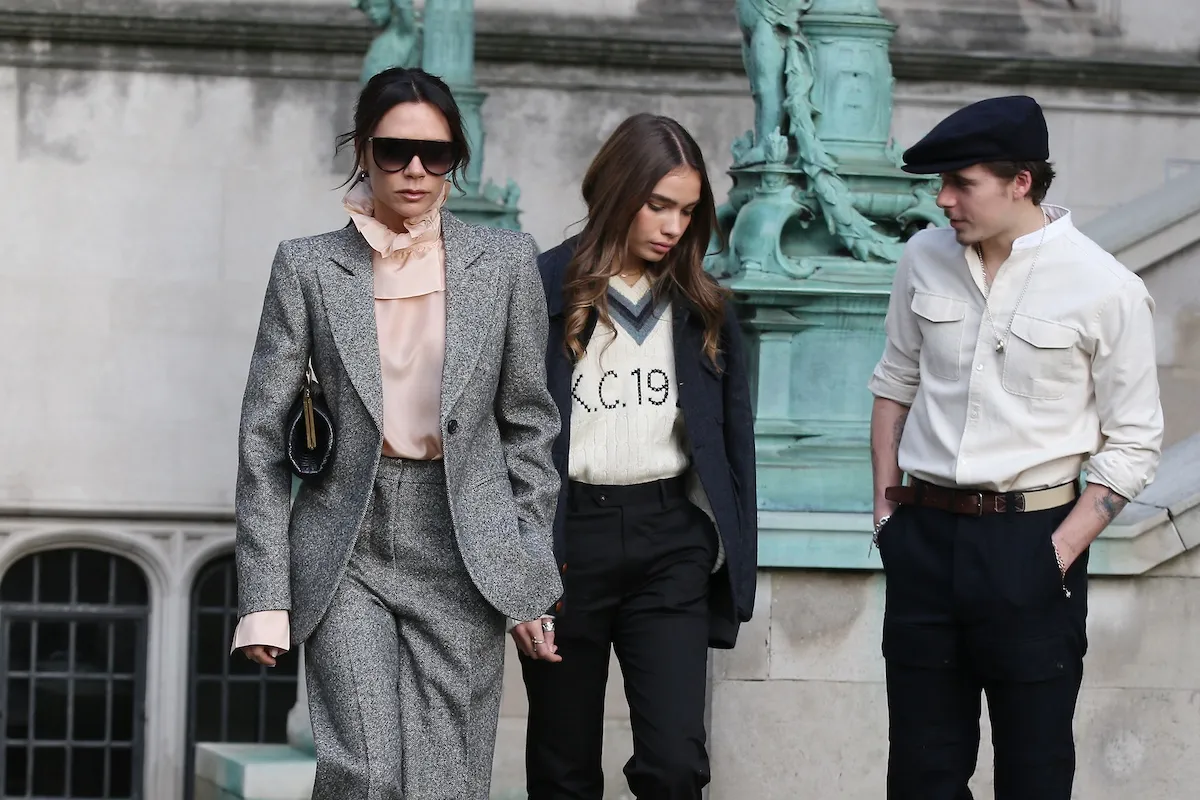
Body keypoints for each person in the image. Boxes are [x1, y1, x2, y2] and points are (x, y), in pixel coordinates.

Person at [231, 67, 563, 800]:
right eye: (393, 150)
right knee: (365, 773)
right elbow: (262, 438)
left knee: (446, 783)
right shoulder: (308, 267)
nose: (415, 170)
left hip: (462, 547)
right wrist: (264, 595)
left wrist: (529, 571)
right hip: (345, 542)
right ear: (363, 151)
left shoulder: (505, 264)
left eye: (435, 154)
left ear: (456, 161)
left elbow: (530, 428)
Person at [869, 94, 1163, 800]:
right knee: (921, 775)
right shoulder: (923, 258)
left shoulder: (1105, 288)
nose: (944, 201)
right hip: (924, 539)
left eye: (961, 184)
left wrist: (1058, 551)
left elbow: (1135, 443)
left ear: (1020, 181)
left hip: (1032, 546)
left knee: (1033, 774)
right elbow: (894, 383)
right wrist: (886, 514)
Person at [516, 113, 758, 800]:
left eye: (686, 210)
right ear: (618, 191)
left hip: (669, 543)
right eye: (658, 205)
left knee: (676, 765)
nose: (673, 226)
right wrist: (520, 574)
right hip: (569, 545)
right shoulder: (541, 290)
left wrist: (731, 553)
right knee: (563, 770)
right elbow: (504, 440)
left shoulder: (704, 306)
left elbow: (734, 445)